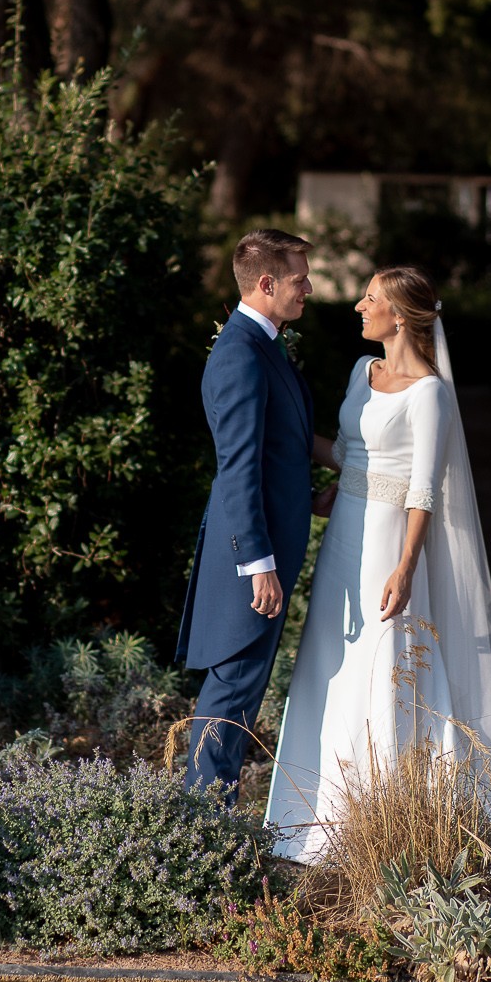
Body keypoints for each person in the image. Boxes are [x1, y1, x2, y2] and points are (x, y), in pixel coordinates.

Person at [266, 265, 491, 863]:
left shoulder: (431, 394)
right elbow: (347, 452)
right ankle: (308, 816)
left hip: (387, 543)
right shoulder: (362, 370)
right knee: (331, 660)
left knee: (384, 665)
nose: (358, 306)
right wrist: (281, 431)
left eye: (370, 298)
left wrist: (405, 567)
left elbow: (423, 490)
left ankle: (385, 816)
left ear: (399, 316)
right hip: (343, 535)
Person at [175, 228, 326, 798]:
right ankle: (204, 821)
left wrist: (310, 498)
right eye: (299, 279)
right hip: (249, 555)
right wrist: (258, 564)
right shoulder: (240, 353)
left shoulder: (264, 344)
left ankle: (208, 817)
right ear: (266, 283)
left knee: (241, 690)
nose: (308, 288)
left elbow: (275, 449)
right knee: (233, 687)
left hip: (265, 541)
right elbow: (237, 466)